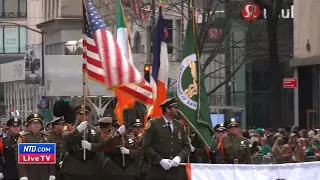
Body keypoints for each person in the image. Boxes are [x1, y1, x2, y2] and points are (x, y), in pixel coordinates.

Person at [62, 105, 125, 180]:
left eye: (86, 114)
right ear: (76, 115)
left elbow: (102, 145)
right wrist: (78, 130)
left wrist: (90, 146)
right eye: (81, 114)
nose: (83, 116)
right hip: (73, 167)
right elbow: (66, 138)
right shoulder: (69, 128)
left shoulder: (95, 130)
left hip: (91, 167)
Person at [143, 97, 190, 180]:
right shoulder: (154, 124)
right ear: (168, 109)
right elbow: (146, 146)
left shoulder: (180, 125)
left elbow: (186, 146)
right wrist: (160, 160)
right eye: (175, 108)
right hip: (157, 171)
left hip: (176, 172)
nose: (177, 110)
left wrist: (179, 157)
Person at [17, 113, 55, 180]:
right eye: (34, 123)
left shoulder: (46, 137)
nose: (36, 125)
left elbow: (51, 157)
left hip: (44, 173)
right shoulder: (24, 138)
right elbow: (19, 158)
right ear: (29, 126)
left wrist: (52, 173)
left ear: (41, 125)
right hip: (30, 172)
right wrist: (23, 174)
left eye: (38, 123)